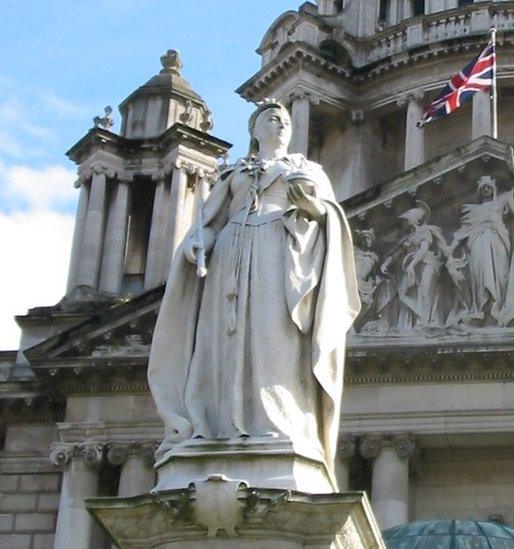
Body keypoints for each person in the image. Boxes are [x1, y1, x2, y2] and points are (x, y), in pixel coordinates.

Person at [147, 99, 360, 472]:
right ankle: (220, 424)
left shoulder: (308, 169)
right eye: (271, 118)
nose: (279, 124)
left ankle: (278, 420)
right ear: (254, 129)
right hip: (232, 257)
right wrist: (201, 242)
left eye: (284, 120)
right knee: (226, 342)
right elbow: (210, 222)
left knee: (274, 337)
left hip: (280, 257)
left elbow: (330, 215)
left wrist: (312, 208)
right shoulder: (233, 175)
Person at [447, 147, 514, 328]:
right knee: (478, 274)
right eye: (483, 188)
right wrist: (449, 249)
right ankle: (480, 310)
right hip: (477, 243)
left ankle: (498, 308)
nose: (486, 190)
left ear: (493, 189)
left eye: (489, 187)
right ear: (479, 191)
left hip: (498, 241)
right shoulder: (472, 211)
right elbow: (461, 233)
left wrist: (513, 168)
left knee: (500, 276)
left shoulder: (501, 201)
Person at [382, 201, 449, 333]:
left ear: (413, 220)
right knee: (402, 293)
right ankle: (421, 315)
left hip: (427, 264)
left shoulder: (425, 231)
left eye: (406, 220)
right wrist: (386, 263)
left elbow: (424, 249)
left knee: (425, 292)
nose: (403, 223)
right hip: (411, 266)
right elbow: (397, 252)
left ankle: (425, 321)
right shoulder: (409, 237)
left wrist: (413, 264)